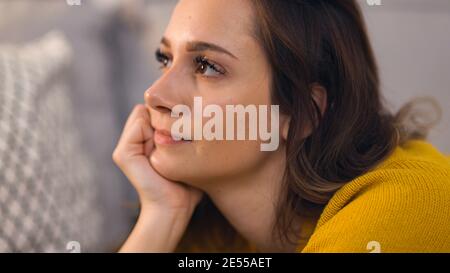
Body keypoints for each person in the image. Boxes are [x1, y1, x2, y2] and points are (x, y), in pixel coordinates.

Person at [112, 0, 450, 253]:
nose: (155, 94)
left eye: (208, 66)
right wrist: (162, 215)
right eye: (165, 59)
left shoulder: (402, 211)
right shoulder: (219, 229)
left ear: (303, 113)